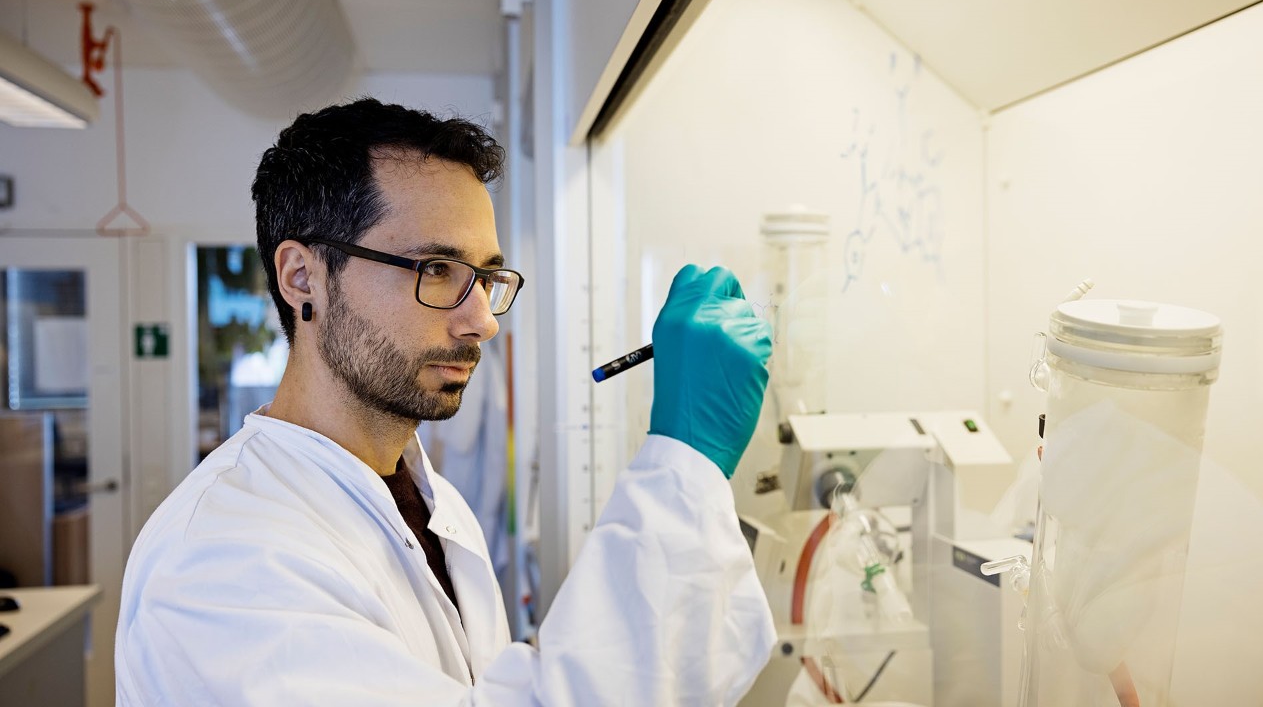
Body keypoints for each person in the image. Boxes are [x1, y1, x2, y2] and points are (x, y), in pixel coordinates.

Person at [114, 98, 778, 705]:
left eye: (485, 278)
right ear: (302, 276)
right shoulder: (222, 556)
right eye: (436, 269)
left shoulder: (433, 504)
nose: (483, 321)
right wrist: (684, 462)